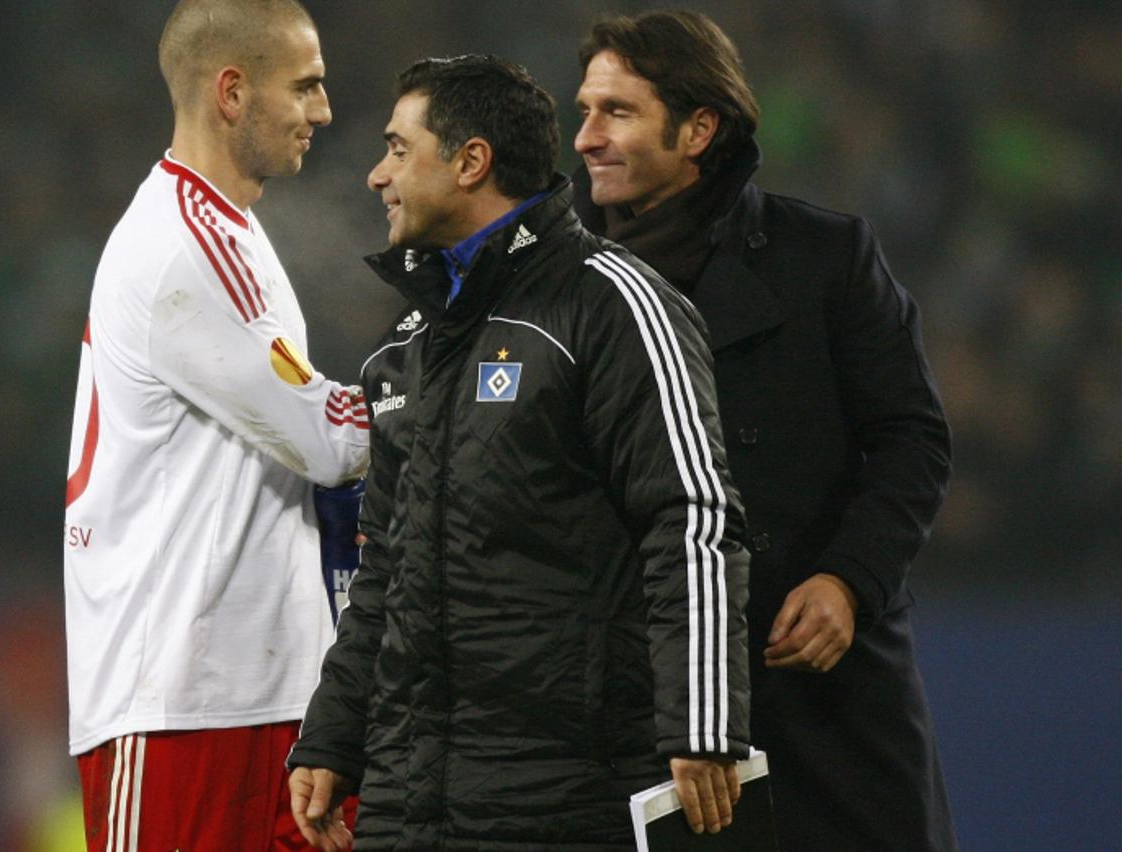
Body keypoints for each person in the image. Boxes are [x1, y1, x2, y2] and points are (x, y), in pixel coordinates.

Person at [285, 54, 751, 851]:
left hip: (561, 793)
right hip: (409, 796)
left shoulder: (614, 303)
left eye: (398, 149)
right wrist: (334, 736)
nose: (374, 176)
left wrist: (702, 722)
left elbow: (692, 518)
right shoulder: (402, 350)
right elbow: (384, 570)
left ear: (472, 162)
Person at [571, 10, 957, 852]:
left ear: (699, 128)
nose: (586, 138)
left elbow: (911, 439)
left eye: (617, 112)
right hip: (641, 698)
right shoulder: (557, 283)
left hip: (820, 683)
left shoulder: (825, 255)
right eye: (585, 111)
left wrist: (848, 581)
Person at [62, 1, 369, 849]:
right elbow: (328, 439)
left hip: (267, 693)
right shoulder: (182, 243)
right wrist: (439, 398)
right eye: (305, 86)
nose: (323, 111)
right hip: (175, 706)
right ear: (231, 91)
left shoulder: (228, 228)